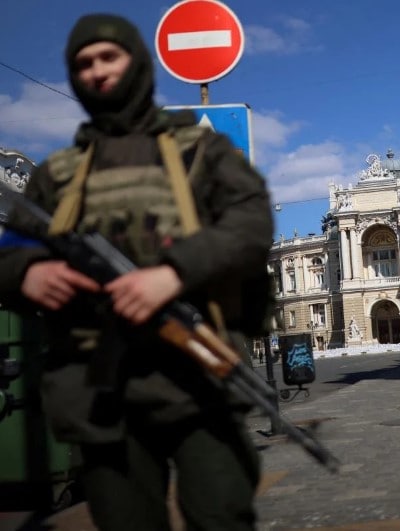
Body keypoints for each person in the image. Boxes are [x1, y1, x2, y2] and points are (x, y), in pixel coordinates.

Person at [0, 14, 272, 531]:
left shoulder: (201, 151)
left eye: (110, 56)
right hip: (98, 389)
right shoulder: (58, 175)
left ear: (137, 62)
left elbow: (250, 222)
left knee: (220, 513)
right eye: (84, 63)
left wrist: (173, 274)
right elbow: (10, 251)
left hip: (196, 375)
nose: (98, 71)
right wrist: (29, 272)